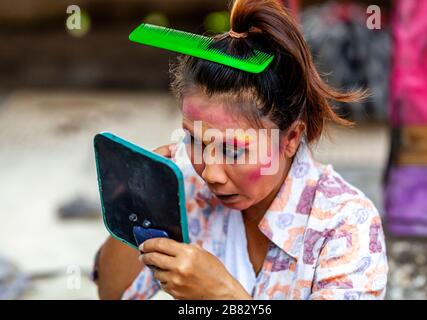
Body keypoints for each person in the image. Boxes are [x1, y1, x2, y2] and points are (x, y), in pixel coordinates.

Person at [93, 0, 388, 300]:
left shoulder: (346, 225)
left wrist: (221, 295)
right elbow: (111, 294)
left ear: (292, 138)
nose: (211, 173)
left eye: (233, 151)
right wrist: (140, 201)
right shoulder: (187, 193)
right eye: (195, 141)